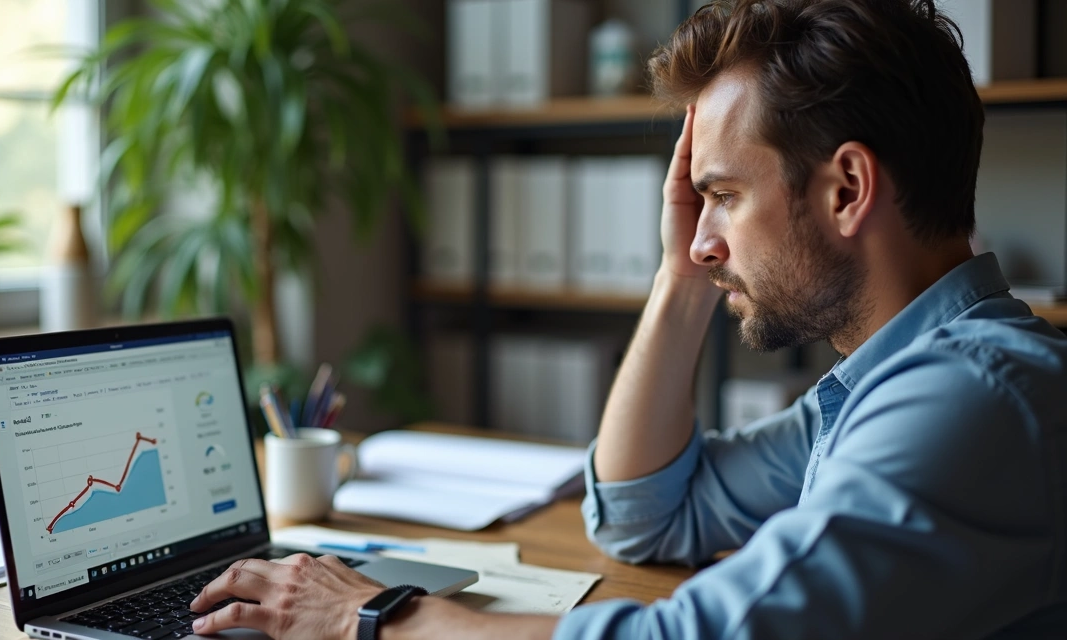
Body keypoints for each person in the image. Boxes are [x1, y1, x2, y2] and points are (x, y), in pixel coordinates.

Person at [186, 0, 1067, 637]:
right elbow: (644, 513)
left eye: (721, 197)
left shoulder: (971, 400)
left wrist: (369, 616)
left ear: (845, 189)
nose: (704, 242)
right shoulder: (891, 384)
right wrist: (676, 279)